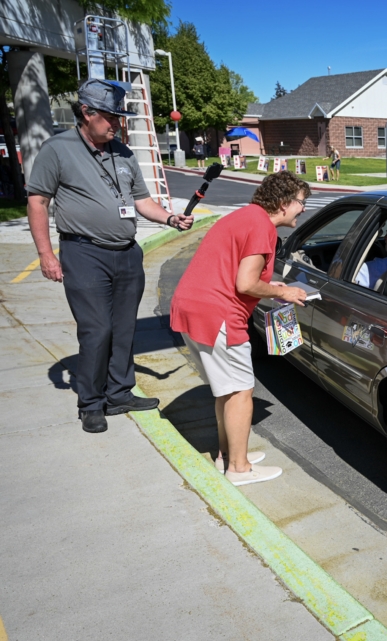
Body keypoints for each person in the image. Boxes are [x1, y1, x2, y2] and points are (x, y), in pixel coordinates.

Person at [26, 78, 194, 434]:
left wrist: (169, 217)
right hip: (83, 252)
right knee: (96, 330)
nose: (116, 123)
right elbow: (37, 201)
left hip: (126, 253)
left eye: (118, 117)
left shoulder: (123, 152)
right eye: (110, 116)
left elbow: (141, 201)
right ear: (86, 113)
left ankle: (119, 393)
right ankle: (90, 402)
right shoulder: (58, 149)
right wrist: (46, 254)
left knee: (124, 329)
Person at [170, 171, 309, 485]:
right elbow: (245, 283)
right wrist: (282, 291)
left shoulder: (247, 217)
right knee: (241, 391)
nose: (303, 208)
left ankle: (227, 456)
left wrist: (266, 285)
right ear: (284, 203)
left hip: (194, 306)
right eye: (301, 202)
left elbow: (240, 273)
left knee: (226, 391)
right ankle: (239, 469)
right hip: (217, 314)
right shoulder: (263, 228)